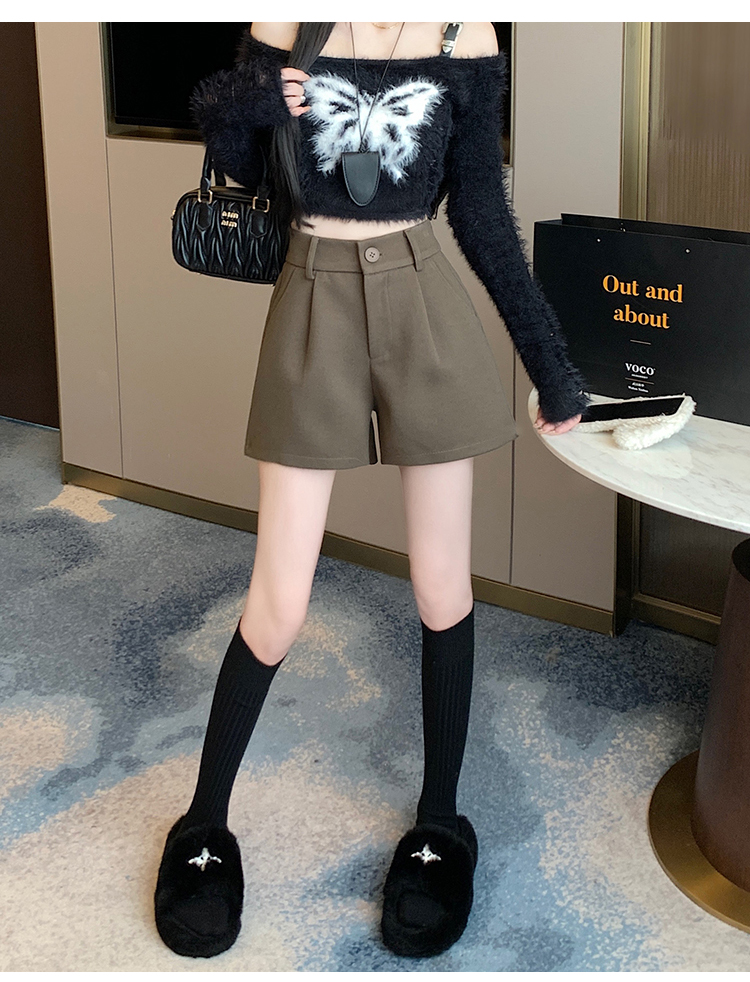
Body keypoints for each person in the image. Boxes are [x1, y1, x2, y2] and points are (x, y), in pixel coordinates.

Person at [154, 21, 589, 962]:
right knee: (279, 599)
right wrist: (243, 106)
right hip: (310, 296)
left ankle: (439, 826)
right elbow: (234, 164)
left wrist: (550, 363)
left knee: (441, 585)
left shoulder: (462, 31)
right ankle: (203, 825)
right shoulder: (288, 21)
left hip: (424, 301)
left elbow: (480, 211)